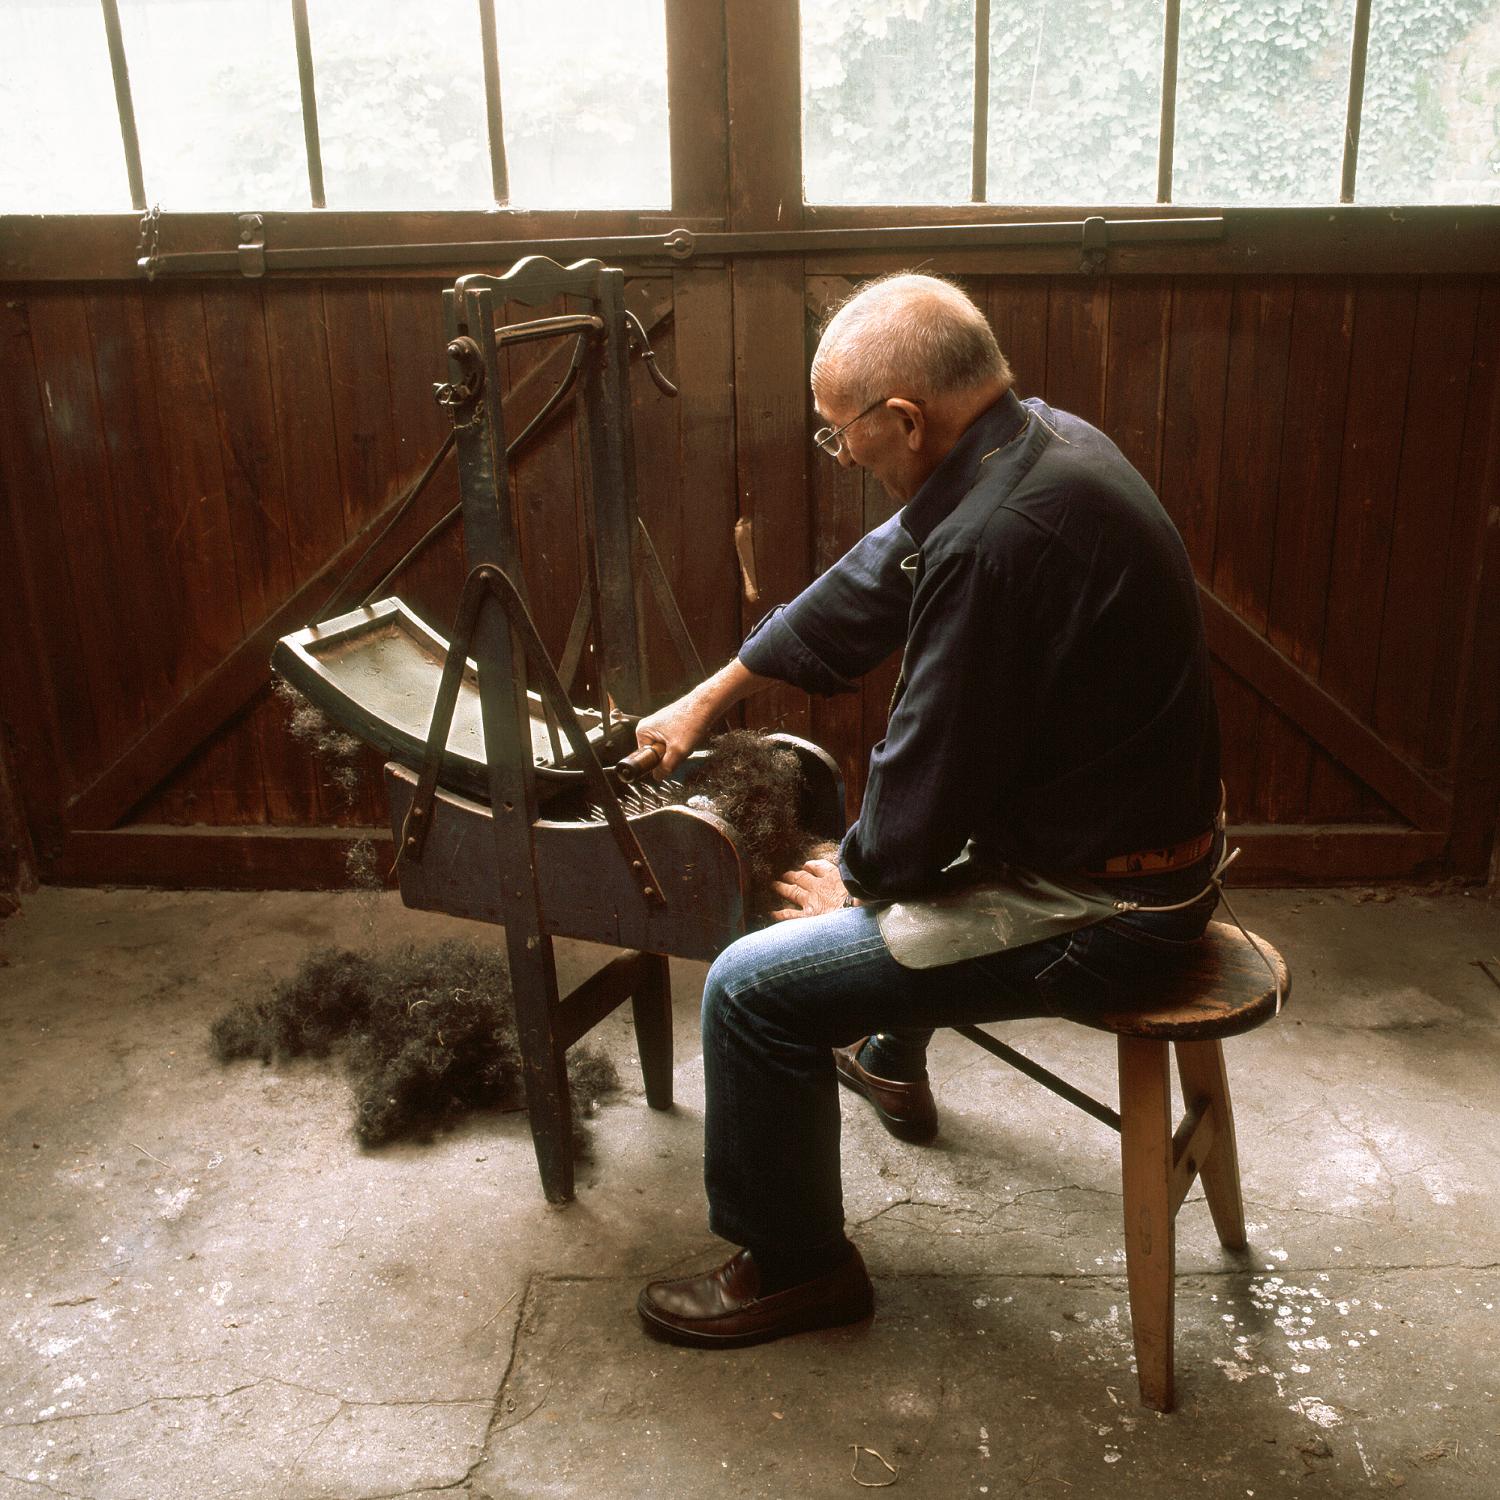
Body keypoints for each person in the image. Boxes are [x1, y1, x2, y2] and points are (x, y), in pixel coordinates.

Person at [631, 273, 1222, 1349]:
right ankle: (890, 1057)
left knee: (751, 990)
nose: (840, 457)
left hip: (1104, 915)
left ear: (903, 418)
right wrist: (714, 691)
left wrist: (853, 884)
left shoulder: (998, 542)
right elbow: (875, 574)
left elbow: (932, 767)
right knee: (880, 858)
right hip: (1131, 847)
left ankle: (799, 1268)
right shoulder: (1034, 442)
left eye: (837, 436)